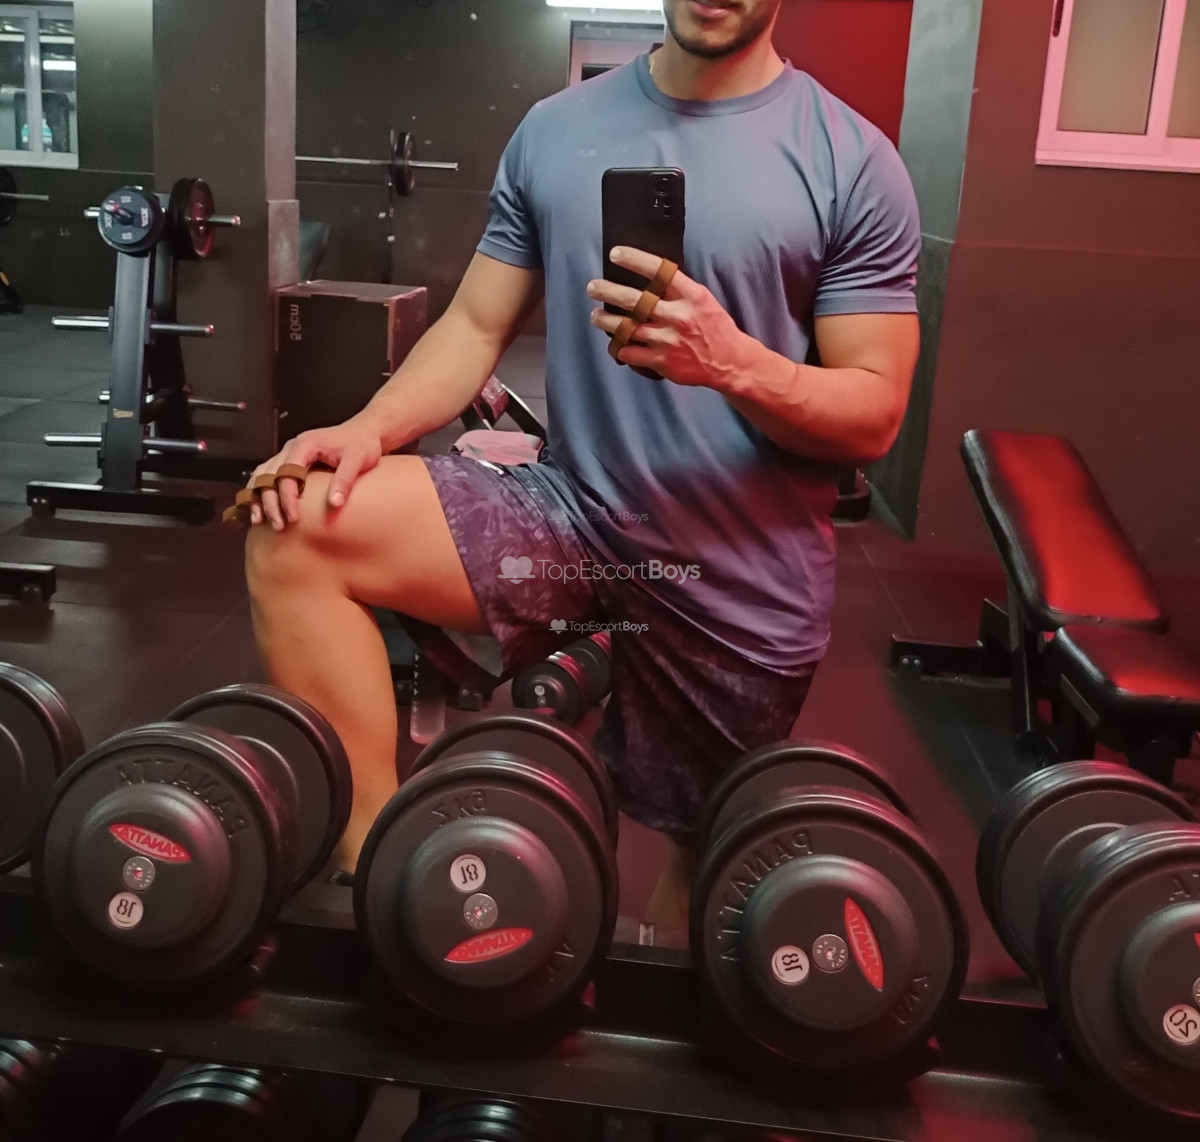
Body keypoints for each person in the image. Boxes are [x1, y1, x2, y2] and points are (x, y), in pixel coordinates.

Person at [241, 0, 920, 931]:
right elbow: (475, 324)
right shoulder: (557, 130)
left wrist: (731, 362)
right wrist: (370, 428)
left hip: (735, 566)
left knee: (703, 896)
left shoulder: (851, 161)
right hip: (574, 519)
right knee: (300, 524)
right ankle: (377, 875)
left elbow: (874, 413)